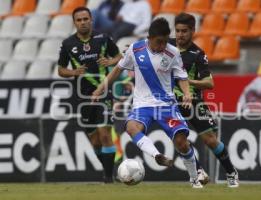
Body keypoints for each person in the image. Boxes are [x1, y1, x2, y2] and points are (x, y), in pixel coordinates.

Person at [92, 18, 204, 188]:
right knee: (131, 127)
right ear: (150, 38)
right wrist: (100, 88)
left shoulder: (173, 52)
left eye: (165, 42)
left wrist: (187, 93)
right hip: (142, 105)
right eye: (159, 42)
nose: (162, 46)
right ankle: (157, 155)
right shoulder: (135, 49)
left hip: (166, 105)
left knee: (181, 141)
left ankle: (194, 177)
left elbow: (182, 77)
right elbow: (117, 69)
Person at [169, 13, 239, 188]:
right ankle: (198, 173)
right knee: (179, 140)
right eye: (177, 31)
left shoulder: (198, 54)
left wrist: (186, 81)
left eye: (184, 31)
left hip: (192, 101)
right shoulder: (166, 47)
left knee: (210, 140)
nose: (180, 35)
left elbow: (209, 83)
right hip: (172, 103)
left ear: (193, 31)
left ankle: (231, 171)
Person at [57, 7, 122, 183]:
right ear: (75, 22)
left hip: (103, 93)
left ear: (91, 19)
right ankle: (110, 170)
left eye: (86, 19)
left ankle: (108, 179)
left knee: (105, 134)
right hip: (82, 97)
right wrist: (73, 72)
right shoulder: (68, 44)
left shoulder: (103, 38)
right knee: (95, 141)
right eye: (79, 20)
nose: (83, 22)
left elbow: (119, 57)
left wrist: (110, 61)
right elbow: (61, 70)